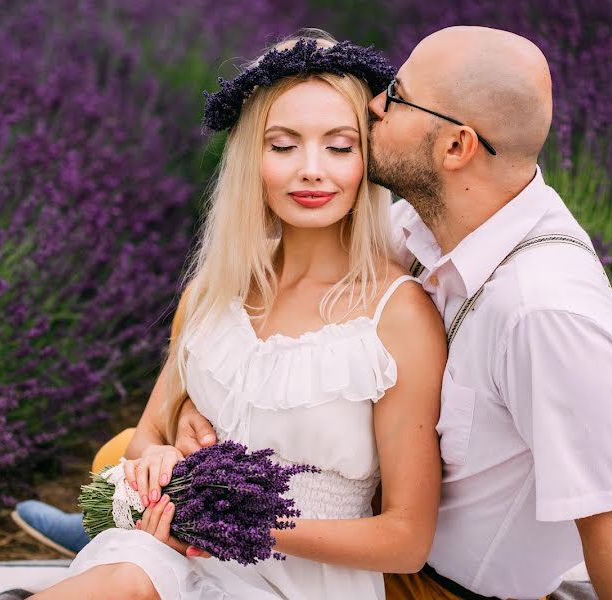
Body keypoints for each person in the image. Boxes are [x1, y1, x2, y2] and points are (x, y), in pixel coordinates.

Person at [175, 26, 612, 600]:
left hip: (430, 586)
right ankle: (118, 522)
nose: (374, 106)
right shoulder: (422, 225)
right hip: (367, 525)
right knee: (141, 450)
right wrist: (200, 397)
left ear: (456, 147)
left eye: (397, 95)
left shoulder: (545, 313)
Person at [30, 30, 447, 600]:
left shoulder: (396, 315)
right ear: (253, 158)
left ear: (366, 159)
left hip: (303, 581)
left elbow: (406, 539)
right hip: (174, 551)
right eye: (283, 146)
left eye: (339, 146)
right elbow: (147, 435)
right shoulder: (213, 292)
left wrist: (243, 521)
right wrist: (157, 462)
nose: (311, 169)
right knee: (124, 577)